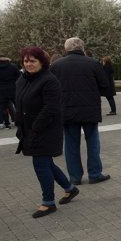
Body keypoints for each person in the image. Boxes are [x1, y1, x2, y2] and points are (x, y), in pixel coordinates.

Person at [16, 47, 80, 218]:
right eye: (26, 61)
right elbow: (19, 102)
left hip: (45, 129)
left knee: (41, 165)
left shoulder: (49, 80)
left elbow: (51, 108)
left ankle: (48, 202)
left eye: (33, 61)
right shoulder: (23, 80)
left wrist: (36, 127)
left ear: (42, 63)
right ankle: (69, 188)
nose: (28, 64)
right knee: (46, 164)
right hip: (28, 128)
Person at [50, 37, 111, 185]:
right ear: (82, 48)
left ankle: (75, 176)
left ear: (66, 49)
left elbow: (51, 88)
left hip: (67, 109)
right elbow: (105, 85)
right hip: (90, 109)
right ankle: (94, 173)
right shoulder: (93, 63)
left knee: (71, 144)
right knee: (92, 142)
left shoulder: (56, 66)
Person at [0, 56, 20, 129]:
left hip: (0, 89)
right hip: (13, 88)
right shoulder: (13, 66)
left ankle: (5, 123)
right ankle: (18, 121)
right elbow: (19, 76)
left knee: (2, 107)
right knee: (17, 105)